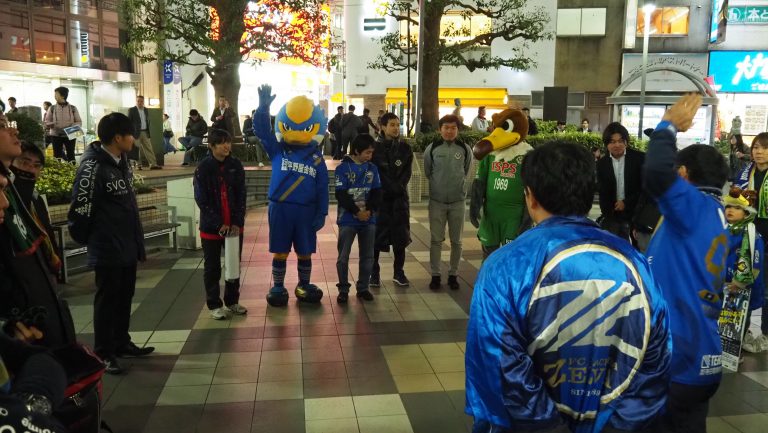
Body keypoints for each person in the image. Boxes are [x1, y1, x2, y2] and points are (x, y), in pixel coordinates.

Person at [465, 140, 671, 433]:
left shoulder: (504, 266)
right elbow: (655, 357)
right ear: (589, 194)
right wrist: (619, 426)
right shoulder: (634, 263)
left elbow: (497, 363)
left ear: (530, 196)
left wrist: (550, 427)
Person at [644, 93, 729, 432]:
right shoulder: (716, 212)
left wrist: (668, 126)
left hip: (677, 356)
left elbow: (655, 173)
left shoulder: (693, 206)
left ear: (683, 173)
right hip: (702, 355)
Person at [68, 112, 155, 374]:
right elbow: (80, 209)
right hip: (107, 247)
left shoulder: (121, 161)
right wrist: (93, 240)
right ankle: (104, 353)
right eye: (131, 134)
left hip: (126, 244)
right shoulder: (92, 167)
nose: (134, 139)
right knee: (107, 300)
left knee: (124, 296)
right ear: (118, 138)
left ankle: (121, 342)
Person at [253, 84, 329, 307]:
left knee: (305, 252)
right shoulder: (278, 149)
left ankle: (303, 285)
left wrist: (322, 212)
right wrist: (263, 109)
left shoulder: (317, 159)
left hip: (306, 211)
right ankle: (278, 286)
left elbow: (323, 188)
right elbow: (262, 132)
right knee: (280, 251)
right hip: (280, 209)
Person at [1, 120, 73, 349]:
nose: (14, 130)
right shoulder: (14, 202)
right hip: (23, 326)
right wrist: (9, 321)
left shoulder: (30, 200)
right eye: (2, 125)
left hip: (41, 306)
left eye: (36, 165)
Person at [193, 129, 248, 320]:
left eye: (228, 142)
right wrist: (218, 224)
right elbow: (201, 200)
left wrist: (237, 222)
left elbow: (241, 195)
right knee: (212, 267)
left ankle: (232, 301)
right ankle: (214, 304)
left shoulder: (235, 165)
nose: (226, 146)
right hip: (211, 228)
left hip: (234, 228)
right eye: (222, 143)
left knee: (233, 265)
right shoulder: (203, 168)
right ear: (211, 146)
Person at [424, 114, 472, 291]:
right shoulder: (432, 148)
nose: (449, 131)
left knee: (457, 241)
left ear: (458, 130)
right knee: (436, 240)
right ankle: (435, 275)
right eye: (446, 127)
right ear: (440, 129)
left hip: (458, 202)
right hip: (437, 202)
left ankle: (453, 274)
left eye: (453, 128)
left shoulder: (465, 149)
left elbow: (467, 171)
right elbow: (428, 171)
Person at [335, 134, 382, 304]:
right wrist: (356, 211)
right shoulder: (342, 169)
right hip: (347, 219)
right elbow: (341, 194)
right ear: (356, 151)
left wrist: (369, 210)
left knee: (368, 256)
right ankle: (343, 289)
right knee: (343, 257)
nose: (370, 156)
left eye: (372, 152)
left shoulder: (372, 169)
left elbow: (377, 192)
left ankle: (363, 288)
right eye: (367, 152)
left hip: (368, 219)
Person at [735, 132, 768, 352]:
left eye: (764, 148)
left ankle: (764, 330)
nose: (759, 152)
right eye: (756, 147)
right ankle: (743, 329)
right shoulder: (745, 172)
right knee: (746, 280)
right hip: (749, 233)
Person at [721, 187, 765, 354]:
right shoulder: (724, 231)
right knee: (722, 319)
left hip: (744, 289)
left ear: (746, 213)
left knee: (738, 321)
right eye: (728, 206)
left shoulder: (753, 236)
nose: (730, 210)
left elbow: (755, 265)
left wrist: (739, 283)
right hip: (723, 286)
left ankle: (734, 352)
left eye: (737, 207)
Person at [372, 112, 413, 287]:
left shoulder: (405, 149)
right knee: (375, 238)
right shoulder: (374, 148)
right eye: (392, 125)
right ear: (382, 127)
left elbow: (406, 173)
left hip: (399, 200)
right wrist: (388, 187)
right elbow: (375, 173)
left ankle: (399, 272)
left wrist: (398, 187)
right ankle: (374, 274)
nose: (396, 128)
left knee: (400, 238)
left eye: (398, 125)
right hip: (380, 200)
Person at [10, 142, 59, 271]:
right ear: (10, 164)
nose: (31, 170)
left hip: (45, 269)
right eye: (24, 163)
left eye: (36, 166)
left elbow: (48, 232)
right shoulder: (7, 199)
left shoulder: (36, 199)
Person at [596, 122, 645, 242]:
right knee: (615, 246)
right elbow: (602, 191)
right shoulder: (602, 164)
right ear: (607, 144)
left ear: (626, 142)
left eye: (620, 141)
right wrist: (607, 213)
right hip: (613, 215)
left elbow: (645, 188)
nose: (617, 145)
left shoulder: (640, 159)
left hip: (636, 212)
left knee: (638, 247)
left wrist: (626, 203)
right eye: (612, 142)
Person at [45, 87, 81, 162]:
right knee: (56, 156)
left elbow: (78, 121)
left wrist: (70, 128)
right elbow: (47, 121)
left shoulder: (73, 108)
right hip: (56, 135)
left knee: (71, 155)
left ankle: (72, 168)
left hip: (70, 134)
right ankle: (57, 169)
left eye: (56, 94)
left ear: (63, 96)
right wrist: (53, 124)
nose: (54, 96)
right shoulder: (52, 108)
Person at [128, 95, 161, 170]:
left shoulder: (146, 109)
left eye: (141, 101)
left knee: (149, 148)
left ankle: (153, 164)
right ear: (136, 101)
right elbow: (129, 122)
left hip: (145, 132)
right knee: (136, 149)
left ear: (143, 102)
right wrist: (130, 133)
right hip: (135, 133)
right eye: (138, 101)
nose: (140, 102)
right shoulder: (132, 110)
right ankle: (138, 165)